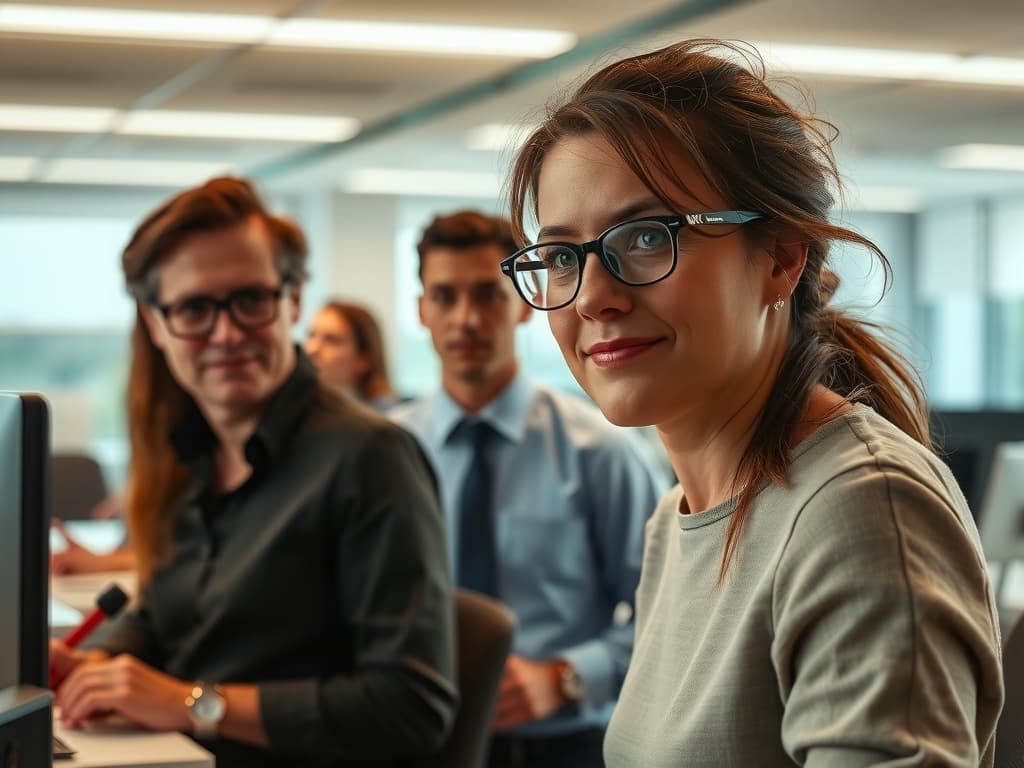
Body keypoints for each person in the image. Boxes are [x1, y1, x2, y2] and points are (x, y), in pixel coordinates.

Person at [503, 39, 1004, 766]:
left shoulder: (860, 509)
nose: (595, 298)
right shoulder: (675, 520)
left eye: (646, 237)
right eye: (560, 257)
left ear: (780, 257)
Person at [48, 177, 457, 768]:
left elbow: (411, 708)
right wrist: (95, 663)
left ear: (291, 300)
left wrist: (192, 703)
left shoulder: (369, 458)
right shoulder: (184, 455)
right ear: (156, 323)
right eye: (193, 308)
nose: (227, 334)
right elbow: (165, 618)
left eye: (250, 300)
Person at [390, 210, 666, 768]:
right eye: (444, 297)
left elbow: (670, 613)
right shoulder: (385, 454)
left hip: (558, 748)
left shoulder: (599, 450)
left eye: (487, 296)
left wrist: (568, 676)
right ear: (422, 311)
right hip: (412, 741)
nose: (465, 319)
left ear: (523, 301)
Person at [305, 300, 400, 411]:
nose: (312, 349)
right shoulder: (302, 408)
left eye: (331, 340)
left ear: (365, 359)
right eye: (311, 335)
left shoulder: (389, 417)